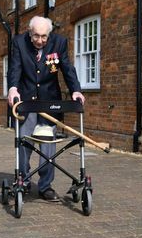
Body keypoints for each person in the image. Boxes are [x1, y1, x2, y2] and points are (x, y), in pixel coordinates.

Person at [8, 16, 85, 202]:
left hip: (50, 102)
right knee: (24, 143)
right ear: (29, 31)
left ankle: (45, 186)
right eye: (36, 36)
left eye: (44, 36)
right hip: (25, 102)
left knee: (48, 146)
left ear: (49, 34)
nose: (40, 40)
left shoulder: (59, 43)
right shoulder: (19, 42)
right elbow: (15, 68)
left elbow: (67, 68)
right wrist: (12, 88)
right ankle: (23, 181)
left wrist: (76, 90)